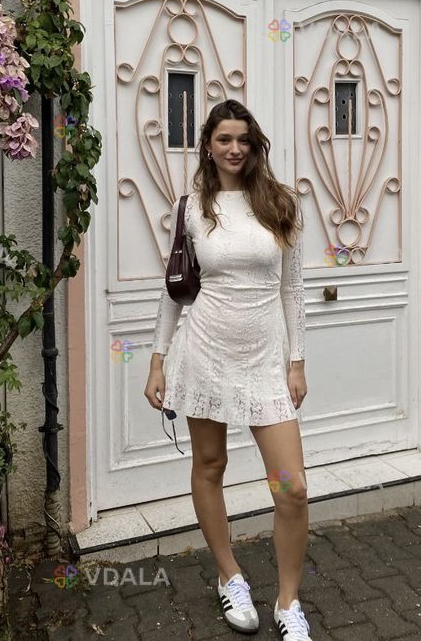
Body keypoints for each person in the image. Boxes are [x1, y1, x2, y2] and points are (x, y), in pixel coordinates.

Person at [144, 99, 312, 640]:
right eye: (224, 139)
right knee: (211, 465)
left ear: (255, 144)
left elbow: (293, 290)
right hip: (205, 353)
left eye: (243, 139)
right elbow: (174, 290)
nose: (234, 149)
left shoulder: (281, 204)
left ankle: (288, 603)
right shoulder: (192, 207)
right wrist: (157, 360)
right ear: (209, 146)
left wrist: (297, 362)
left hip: (265, 362)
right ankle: (229, 574)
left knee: (291, 488)